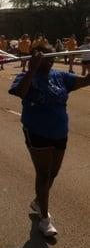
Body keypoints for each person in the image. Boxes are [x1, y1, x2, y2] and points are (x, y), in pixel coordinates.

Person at [8, 46, 90, 237]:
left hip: (60, 131)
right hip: (36, 131)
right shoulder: (25, 77)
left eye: (52, 57)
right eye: (46, 58)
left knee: (53, 173)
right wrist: (32, 69)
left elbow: (85, 81)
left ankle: (38, 202)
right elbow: (20, 92)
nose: (51, 61)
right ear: (34, 59)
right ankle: (45, 220)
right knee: (43, 174)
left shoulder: (60, 76)